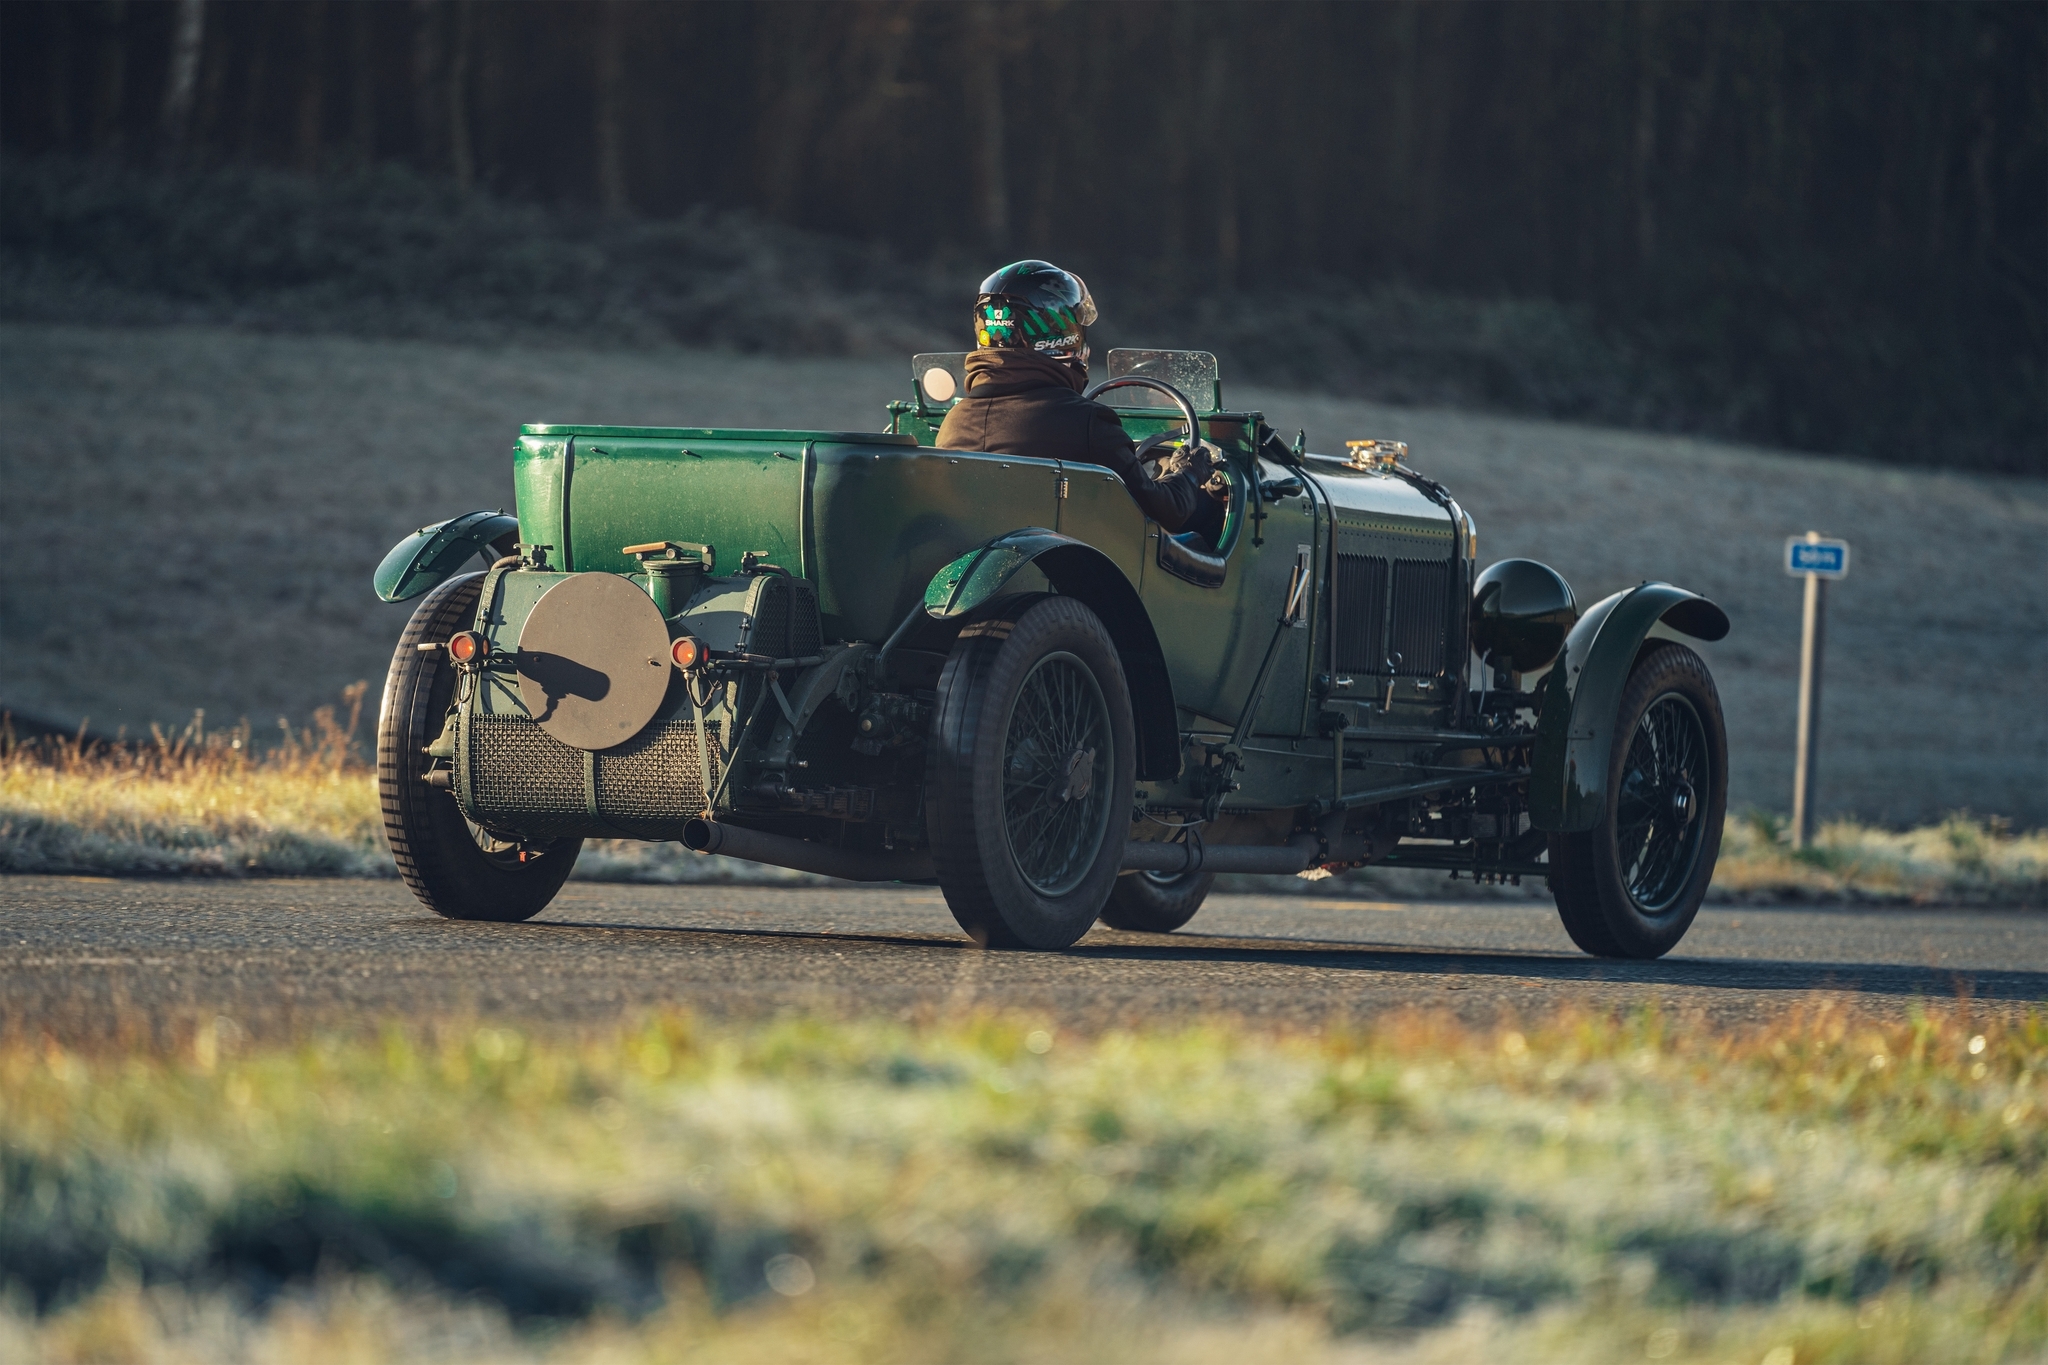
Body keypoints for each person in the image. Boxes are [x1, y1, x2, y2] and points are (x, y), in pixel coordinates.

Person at [936, 261, 1228, 537]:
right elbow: (1166, 511)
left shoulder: (956, 421)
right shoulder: (1085, 421)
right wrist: (1189, 474)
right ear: (1060, 332)